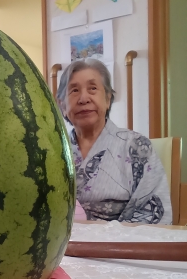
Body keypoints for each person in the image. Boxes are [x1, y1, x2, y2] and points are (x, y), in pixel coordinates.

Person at [56, 59, 172, 224]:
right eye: (74, 90)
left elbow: (153, 216)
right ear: (62, 106)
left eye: (93, 88)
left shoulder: (137, 147)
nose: (83, 98)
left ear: (108, 99)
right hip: (64, 240)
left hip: (122, 239)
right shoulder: (53, 150)